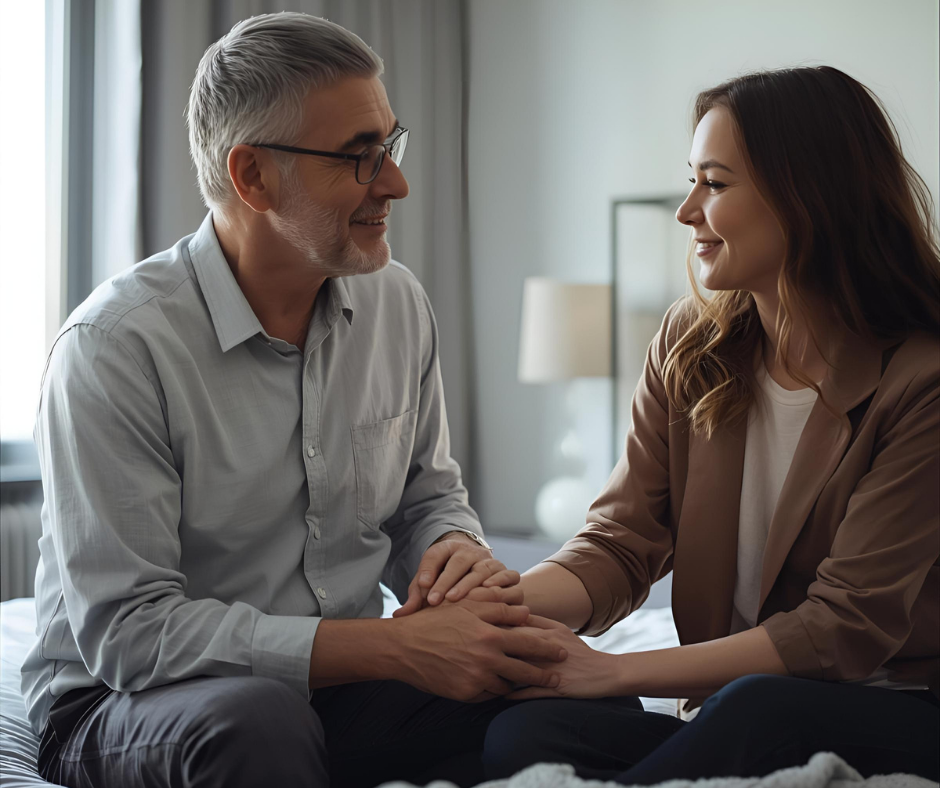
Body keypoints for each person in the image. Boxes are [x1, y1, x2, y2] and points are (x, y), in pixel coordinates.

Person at [22, 13, 570, 788]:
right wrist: (397, 649)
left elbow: (426, 497)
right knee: (259, 724)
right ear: (251, 177)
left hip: (337, 687)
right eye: (360, 158)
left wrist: (452, 556)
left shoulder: (397, 303)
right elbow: (131, 635)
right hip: (128, 702)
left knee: (562, 690)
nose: (397, 183)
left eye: (391, 145)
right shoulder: (115, 348)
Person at [463, 67, 940, 782]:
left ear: (808, 195)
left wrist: (615, 673)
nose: (687, 211)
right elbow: (620, 544)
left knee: (760, 711)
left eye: (714, 184)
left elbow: (842, 629)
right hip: (730, 709)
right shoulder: (692, 343)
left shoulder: (921, 379)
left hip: (899, 706)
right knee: (527, 732)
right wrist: (490, 608)